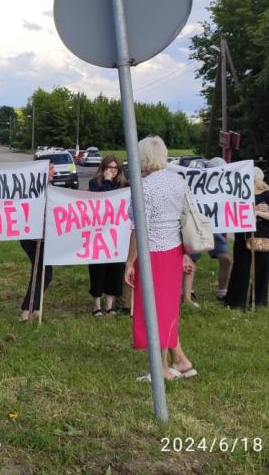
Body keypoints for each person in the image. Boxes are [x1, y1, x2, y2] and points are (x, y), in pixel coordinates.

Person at [123, 136, 196, 381]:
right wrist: (184, 253)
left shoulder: (142, 186)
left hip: (152, 252)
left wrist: (129, 261)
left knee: (154, 310)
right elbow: (186, 216)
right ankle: (180, 360)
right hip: (173, 249)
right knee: (166, 307)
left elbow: (137, 226)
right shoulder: (178, 180)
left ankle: (162, 369)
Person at [185, 157, 234, 305]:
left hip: (215, 227)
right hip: (197, 226)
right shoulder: (197, 182)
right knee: (191, 261)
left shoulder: (224, 184)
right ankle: (188, 293)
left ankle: (222, 292)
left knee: (226, 259)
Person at [87, 155, 128, 316]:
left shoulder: (124, 185)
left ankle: (109, 305)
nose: (112, 170)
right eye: (109, 167)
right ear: (103, 168)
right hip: (98, 234)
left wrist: (111, 182)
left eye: (115, 168)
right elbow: (105, 201)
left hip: (117, 235)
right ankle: (96, 304)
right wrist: (107, 181)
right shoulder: (94, 184)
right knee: (98, 269)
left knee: (115, 269)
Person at [224, 167, 269, 308]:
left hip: (263, 236)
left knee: (262, 269)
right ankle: (235, 301)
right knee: (241, 268)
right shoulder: (240, 194)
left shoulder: (266, 194)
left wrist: (257, 214)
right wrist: (253, 210)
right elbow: (231, 211)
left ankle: (259, 302)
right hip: (242, 235)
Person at [19, 161, 55, 322]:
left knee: (42, 272)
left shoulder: (51, 189)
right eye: (51, 169)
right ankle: (27, 311)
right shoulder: (32, 190)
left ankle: (34, 308)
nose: (54, 172)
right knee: (41, 272)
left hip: (46, 238)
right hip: (32, 238)